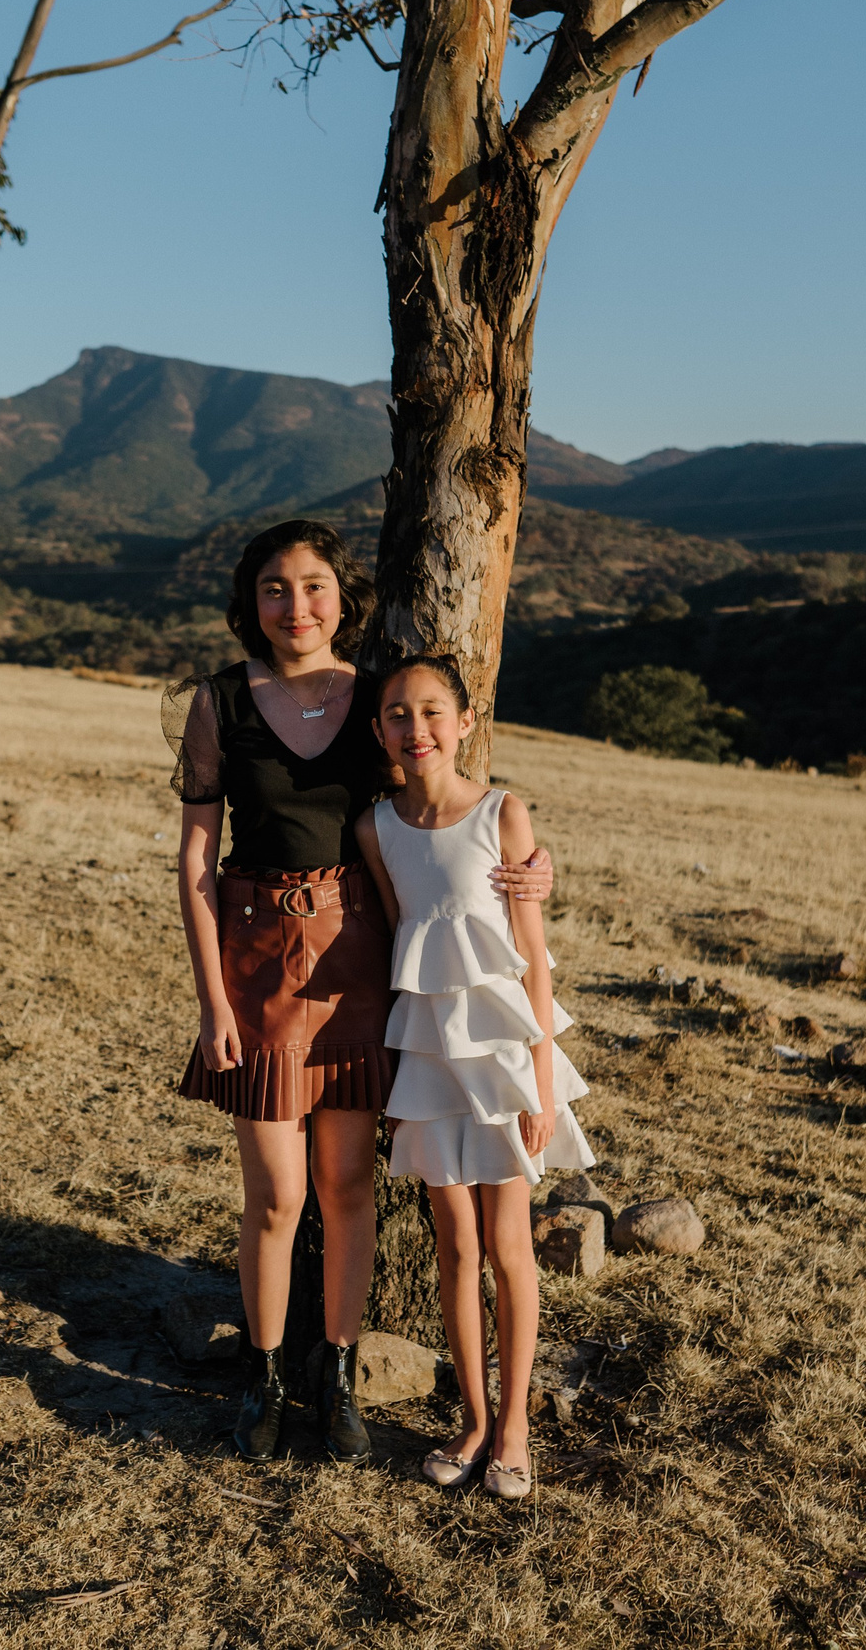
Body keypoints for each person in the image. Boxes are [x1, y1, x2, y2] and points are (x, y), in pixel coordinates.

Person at [168, 521, 551, 1464]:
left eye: (313, 585)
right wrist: (213, 1000)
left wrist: (532, 872)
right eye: (273, 588)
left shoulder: (377, 701)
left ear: (343, 596)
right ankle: (262, 1382)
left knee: (346, 1186)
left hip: (356, 965)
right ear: (248, 600)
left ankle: (335, 1382)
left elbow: (438, 812)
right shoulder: (219, 701)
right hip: (254, 966)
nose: (294, 605)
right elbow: (194, 859)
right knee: (274, 1195)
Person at [352, 653, 594, 1501]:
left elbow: (531, 952)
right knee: (453, 1245)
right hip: (428, 1051)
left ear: (462, 722)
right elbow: (396, 939)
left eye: (430, 712)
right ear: (378, 728)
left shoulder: (501, 811)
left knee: (507, 1245)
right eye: (395, 714)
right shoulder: (374, 827)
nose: (414, 729)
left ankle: (518, 1422)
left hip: (502, 1051)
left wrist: (538, 1075)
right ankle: (475, 1417)